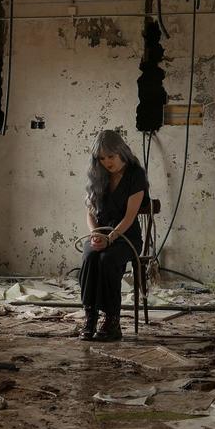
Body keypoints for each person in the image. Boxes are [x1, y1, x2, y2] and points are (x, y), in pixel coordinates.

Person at [79, 130, 147, 342]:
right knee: (90, 256)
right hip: (102, 235)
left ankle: (112, 321)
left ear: (121, 151)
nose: (106, 162)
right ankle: (90, 316)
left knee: (108, 259)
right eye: (101, 158)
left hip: (127, 236)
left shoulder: (136, 174)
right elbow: (90, 213)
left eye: (110, 156)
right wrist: (95, 235)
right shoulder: (98, 175)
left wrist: (111, 237)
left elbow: (129, 217)